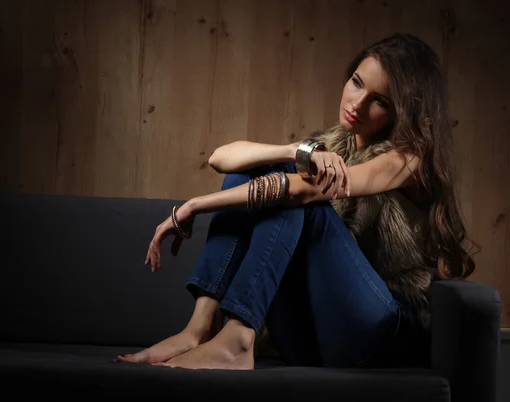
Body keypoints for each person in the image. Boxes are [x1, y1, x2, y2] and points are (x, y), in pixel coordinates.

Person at [114, 33, 477, 370]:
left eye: (379, 101)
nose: (358, 104)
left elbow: (302, 191)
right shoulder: (330, 147)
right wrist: (295, 149)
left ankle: (238, 339)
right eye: (356, 82)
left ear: (403, 112)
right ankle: (200, 327)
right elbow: (221, 158)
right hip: (313, 328)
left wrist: (193, 205)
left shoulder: (409, 158)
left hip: (376, 329)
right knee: (264, 168)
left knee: (294, 194)